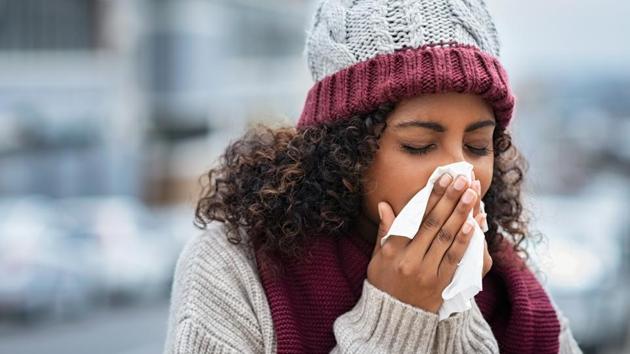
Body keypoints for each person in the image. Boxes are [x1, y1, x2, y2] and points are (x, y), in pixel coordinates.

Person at [163, 0, 583, 353]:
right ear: (345, 152)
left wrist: (455, 310)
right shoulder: (235, 266)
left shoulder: (514, 294)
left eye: (477, 147)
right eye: (419, 144)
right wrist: (397, 318)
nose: (459, 174)